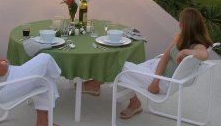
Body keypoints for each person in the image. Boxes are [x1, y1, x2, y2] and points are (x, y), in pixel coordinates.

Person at [82, 7, 213, 119]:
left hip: (162, 80)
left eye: (181, 21)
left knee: (119, 66)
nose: (179, 23)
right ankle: (131, 101)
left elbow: (204, 55)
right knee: (125, 70)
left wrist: (185, 52)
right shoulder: (181, 36)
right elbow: (166, 57)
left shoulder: (198, 45)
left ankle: (97, 83)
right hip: (156, 67)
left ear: (186, 25)